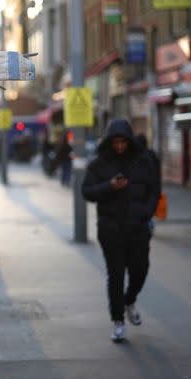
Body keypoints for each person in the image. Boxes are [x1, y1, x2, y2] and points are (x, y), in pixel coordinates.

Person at [81, 119, 160, 343]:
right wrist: (109, 186)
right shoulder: (98, 164)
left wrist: (147, 212)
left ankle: (129, 300)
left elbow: (154, 188)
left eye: (123, 142)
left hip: (138, 227)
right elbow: (86, 191)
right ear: (109, 142)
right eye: (115, 142)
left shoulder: (144, 162)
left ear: (129, 141)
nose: (119, 146)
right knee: (115, 275)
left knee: (140, 270)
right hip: (110, 228)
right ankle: (118, 321)